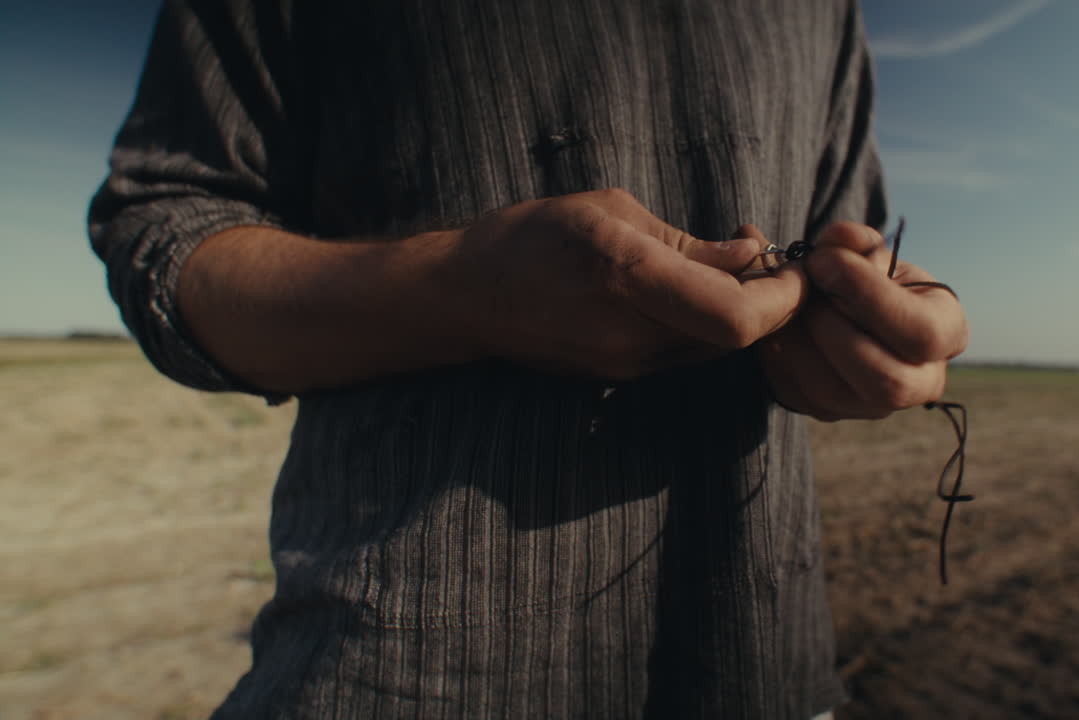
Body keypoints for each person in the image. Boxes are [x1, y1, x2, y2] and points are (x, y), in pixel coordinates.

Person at [89, 0, 967, 717]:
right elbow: (166, 238)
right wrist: (455, 292)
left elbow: (848, 250)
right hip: (393, 676)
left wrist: (880, 339)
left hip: (763, 669)